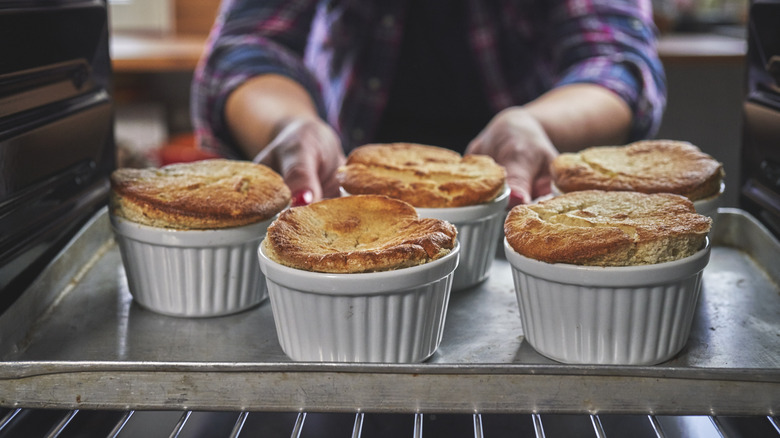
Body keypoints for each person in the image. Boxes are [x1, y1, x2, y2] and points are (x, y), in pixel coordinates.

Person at [191, 0, 666, 207]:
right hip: (347, 189)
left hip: (525, 192)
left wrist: (534, 125)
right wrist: (291, 125)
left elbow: (616, 61)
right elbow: (248, 47)